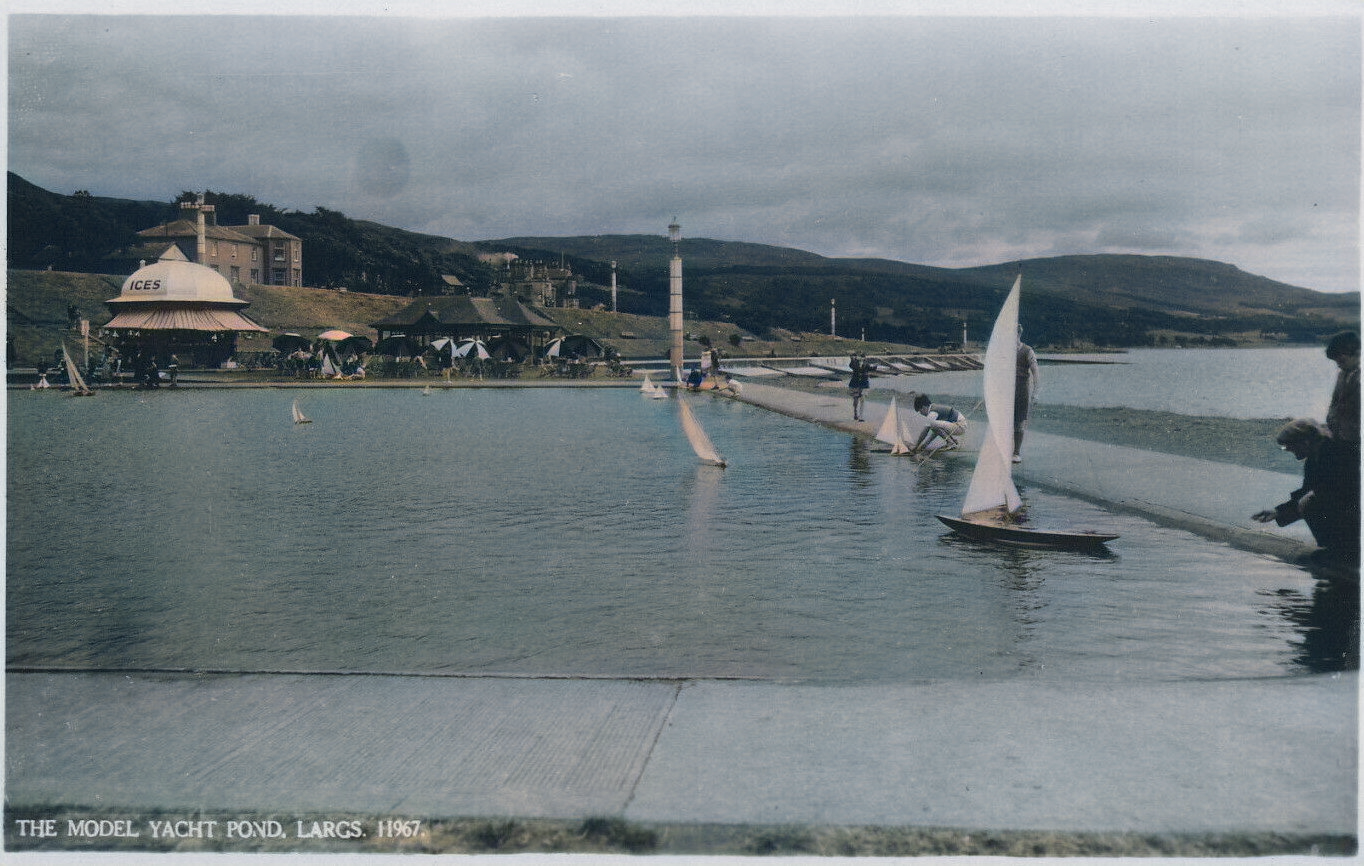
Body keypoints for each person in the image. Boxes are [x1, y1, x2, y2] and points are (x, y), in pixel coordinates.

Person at [1252, 418, 1359, 567]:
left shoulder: (1336, 453)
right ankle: (1335, 549)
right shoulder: (1313, 460)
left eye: (1289, 446)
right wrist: (1278, 511)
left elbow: (1339, 489)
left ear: (1305, 441)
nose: (1288, 450)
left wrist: (1312, 497)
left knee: (1311, 501)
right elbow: (1306, 491)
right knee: (1309, 499)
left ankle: (1341, 552)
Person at [1325, 330, 1359, 448]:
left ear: (1357, 353)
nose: (1338, 365)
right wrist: (1331, 419)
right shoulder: (1342, 375)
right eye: (1336, 361)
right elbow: (1334, 402)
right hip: (1339, 435)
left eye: (1342, 360)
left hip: (1356, 438)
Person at [1014, 325, 1039, 463]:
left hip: (1022, 390)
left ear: (1019, 333)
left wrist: (1036, 392)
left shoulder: (1027, 350)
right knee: (1005, 422)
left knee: (1019, 422)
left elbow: (1035, 372)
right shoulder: (1005, 351)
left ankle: (1016, 452)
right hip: (1007, 391)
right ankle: (1005, 450)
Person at [847, 354, 874, 421]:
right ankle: (855, 413)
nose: (861, 360)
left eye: (862, 358)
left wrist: (875, 367)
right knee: (856, 401)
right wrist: (852, 359)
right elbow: (851, 365)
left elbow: (871, 368)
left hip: (863, 384)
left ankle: (860, 416)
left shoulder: (865, 364)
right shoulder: (855, 363)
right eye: (860, 359)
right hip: (856, 384)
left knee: (862, 399)